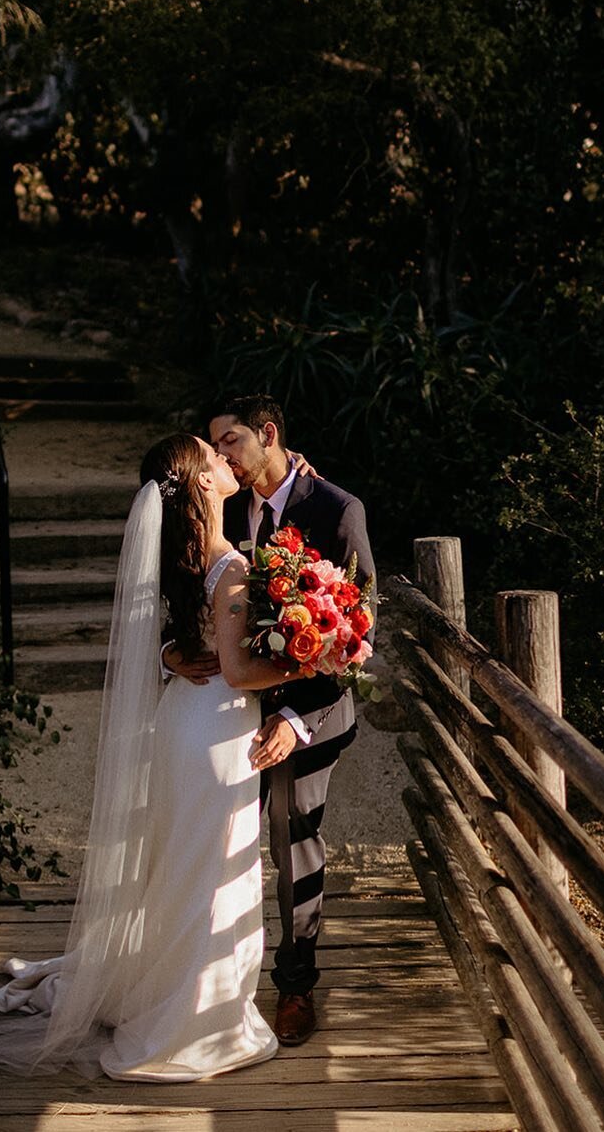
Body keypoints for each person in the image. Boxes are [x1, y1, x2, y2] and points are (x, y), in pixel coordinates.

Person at [0, 432, 296, 1081]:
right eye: (214, 457)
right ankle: (196, 1024)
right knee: (210, 876)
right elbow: (234, 669)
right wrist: (311, 657)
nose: (226, 462)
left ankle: (162, 990)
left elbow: (174, 642)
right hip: (216, 728)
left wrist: (176, 654)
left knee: (182, 863)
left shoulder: (184, 557)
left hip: (182, 717)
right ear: (202, 484)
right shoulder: (227, 565)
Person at [167, 394, 375, 1048]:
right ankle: (203, 980)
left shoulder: (335, 509)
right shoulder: (224, 505)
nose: (220, 455)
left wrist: (290, 714)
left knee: (291, 838)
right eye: (214, 447)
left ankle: (294, 986)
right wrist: (172, 650)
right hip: (231, 707)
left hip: (310, 706)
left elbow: (356, 633)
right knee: (219, 836)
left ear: (267, 433)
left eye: (229, 441)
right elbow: (175, 586)